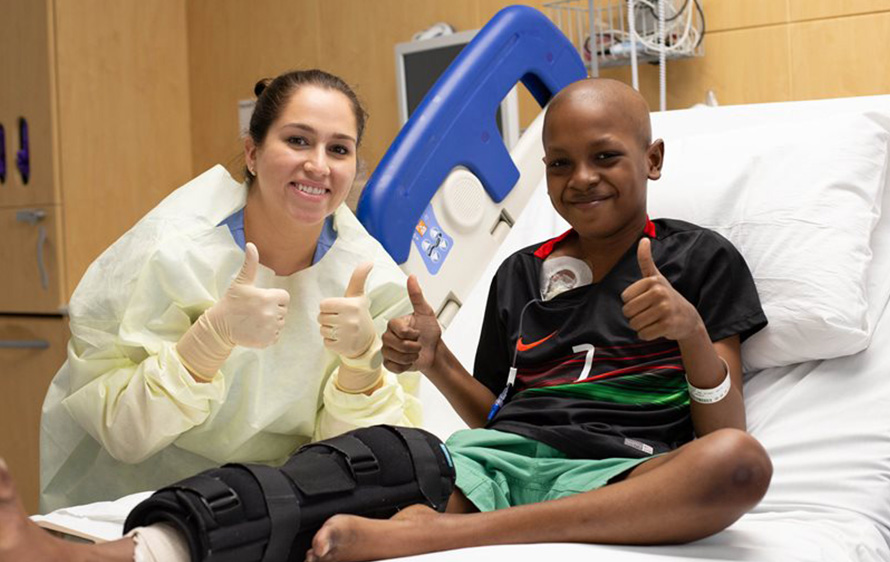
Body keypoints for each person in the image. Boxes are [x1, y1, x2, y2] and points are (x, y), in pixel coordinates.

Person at [0, 77, 770, 562]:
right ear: (253, 151)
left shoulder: (700, 261)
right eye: (559, 163)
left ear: (652, 159)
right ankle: (84, 557)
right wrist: (434, 360)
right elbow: (501, 419)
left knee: (738, 464)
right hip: (495, 464)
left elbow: (725, 425)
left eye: (605, 157)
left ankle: (450, 536)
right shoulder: (521, 274)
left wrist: (690, 334)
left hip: (631, 468)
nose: (581, 179)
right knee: (339, 470)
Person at [37, 69, 420, 513]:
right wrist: (205, 344)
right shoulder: (172, 253)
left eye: (338, 149)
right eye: (297, 140)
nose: (318, 165)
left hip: (284, 510)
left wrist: (360, 371)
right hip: (142, 502)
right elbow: (124, 436)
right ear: (252, 153)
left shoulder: (373, 284)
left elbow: (371, 465)